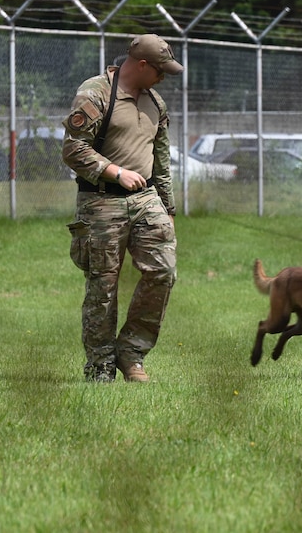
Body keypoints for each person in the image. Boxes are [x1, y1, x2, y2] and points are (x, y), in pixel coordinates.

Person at [62, 34, 182, 383]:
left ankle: (131, 352)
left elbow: (161, 162)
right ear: (142, 65)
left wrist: (168, 209)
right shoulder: (96, 93)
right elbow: (73, 150)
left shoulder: (156, 103)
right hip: (100, 200)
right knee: (104, 286)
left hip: (146, 199)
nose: (164, 78)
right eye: (161, 71)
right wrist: (115, 172)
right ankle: (100, 364)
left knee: (163, 270)